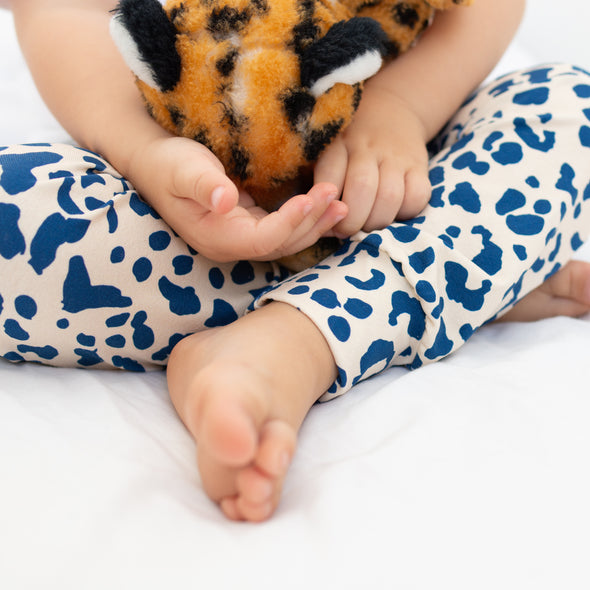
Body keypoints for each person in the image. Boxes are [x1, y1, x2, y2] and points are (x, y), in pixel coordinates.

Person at [2, 0, 590, 522]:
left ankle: (293, 338)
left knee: (569, 105)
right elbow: (64, 8)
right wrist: (145, 152)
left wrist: (401, 110)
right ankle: (447, 279)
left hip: (398, 176)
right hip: (174, 203)